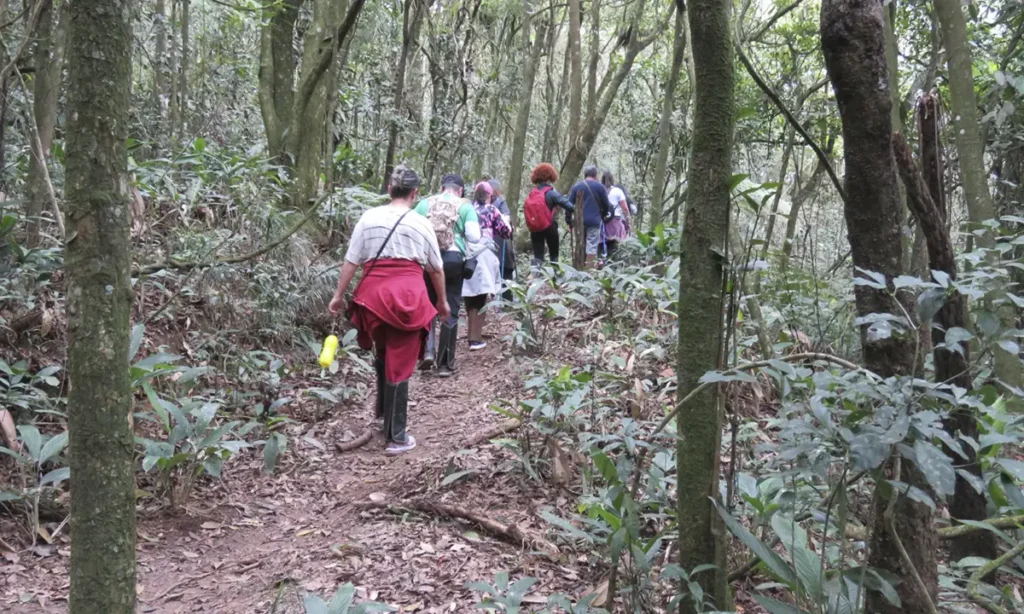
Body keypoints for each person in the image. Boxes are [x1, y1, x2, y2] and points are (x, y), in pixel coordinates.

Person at [328, 165, 449, 455]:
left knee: (384, 352)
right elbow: (435, 268)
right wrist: (442, 302)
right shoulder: (421, 223)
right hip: (408, 296)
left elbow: (352, 261)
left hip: (373, 298)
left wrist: (338, 295)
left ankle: (382, 416)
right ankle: (396, 436)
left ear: (388, 190)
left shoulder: (369, 217)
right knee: (401, 360)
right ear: (415, 193)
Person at [414, 173, 481, 377]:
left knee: (428, 306)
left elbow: (413, 231)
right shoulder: (465, 206)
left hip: (428, 260)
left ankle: (427, 352)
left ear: (442, 188)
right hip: (453, 261)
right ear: (460, 190)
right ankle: (445, 363)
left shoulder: (424, 204)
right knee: (450, 308)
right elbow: (474, 236)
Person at [463, 182, 512, 350]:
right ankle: (475, 339)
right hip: (483, 255)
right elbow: (506, 232)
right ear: (489, 195)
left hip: (466, 254)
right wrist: (506, 221)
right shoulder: (491, 210)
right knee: (481, 294)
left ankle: (472, 334)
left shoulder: (466, 209)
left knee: (470, 294)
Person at [523, 163, 574, 267]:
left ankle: (536, 279)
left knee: (538, 256)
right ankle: (555, 278)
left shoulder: (532, 193)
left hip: (535, 228)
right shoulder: (551, 193)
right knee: (554, 255)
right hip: (550, 227)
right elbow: (569, 206)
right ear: (551, 176)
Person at [567, 165, 613, 268]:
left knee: (580, 243)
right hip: (594, 221)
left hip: (579, 222)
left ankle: (579, 267)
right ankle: (589, 269)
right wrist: (602, 215)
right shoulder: (600, 187)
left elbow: (569, 205)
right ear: (595, 176)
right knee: (591, 244)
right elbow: (606, 205)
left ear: (585, 175)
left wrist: (569, 221)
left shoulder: (577, 187)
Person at [488, 178, 515, 301]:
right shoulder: (500, 202)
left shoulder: (476, 204)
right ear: (497, 191)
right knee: (506, 269)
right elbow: (507, 220)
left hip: (481, 246)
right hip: (499, 242)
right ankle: (506, 299)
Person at [601, 171, 631, 259]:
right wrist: (628, 222)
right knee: (618, 246)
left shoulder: (599, 190)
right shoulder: (617, 191)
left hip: (602, 223)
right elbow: (625, 208)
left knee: (603, 246)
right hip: (615, 222)